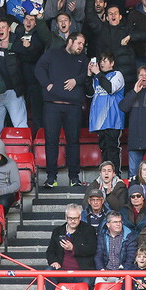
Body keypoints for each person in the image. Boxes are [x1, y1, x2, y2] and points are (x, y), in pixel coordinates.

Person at [35, 33, 88, 187]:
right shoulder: (52, 54)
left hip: (74, 107)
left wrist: (76, 80)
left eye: (83, 44)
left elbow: (88, 74)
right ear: (69, 41)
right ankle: (51, 178)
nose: (81, 46)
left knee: (73, 142)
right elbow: (39, 69)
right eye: (78, 42)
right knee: (51, 142)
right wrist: (47, 84)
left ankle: (74, 178)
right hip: (53, 105)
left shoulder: (83, 59)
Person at [44, 203, 97, 290]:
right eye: (70, 218)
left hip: (82, 272)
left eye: (76, 218)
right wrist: (54, 261)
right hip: (63, 271)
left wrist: (73, 248)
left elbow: (92, 249)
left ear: (80, 217)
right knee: (49, 271)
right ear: (65, 217)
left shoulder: (88, 230)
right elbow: (50, 251)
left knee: (87, 281)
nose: (73, 221)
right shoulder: (58, 231)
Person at [87, 52, 126, 174]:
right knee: (104, 149)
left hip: (113, 119)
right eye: (101, 61)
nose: (102, 63)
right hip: (100, 121)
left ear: (112, 63)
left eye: (105, 61)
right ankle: (106, 175)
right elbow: (89, 93)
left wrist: (97, 73)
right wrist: (89, 75)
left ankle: (116, 175)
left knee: (112, 148)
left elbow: (110, 88)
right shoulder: (97, 78)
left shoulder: (117, 75)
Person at [95, 211, 137, 280]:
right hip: (106, 272)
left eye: (120, 222)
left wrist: (123, 272)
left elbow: (131, 257)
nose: (118, 224)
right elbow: (98, 256)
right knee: (99, 285)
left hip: (124, 273)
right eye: (115, 222)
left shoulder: (129, 236)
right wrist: (101, 270)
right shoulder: (102, 237)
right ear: (108, 224)